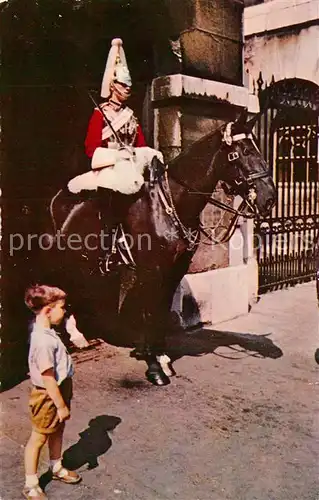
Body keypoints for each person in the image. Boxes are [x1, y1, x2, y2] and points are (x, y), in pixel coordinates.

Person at [23, 285, 82, 500]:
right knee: (38, 437)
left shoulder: (47, 332)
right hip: (48, 395)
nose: (64, 311)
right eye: (61, 308)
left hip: (59, 388)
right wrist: (60, 405)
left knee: (57, 429)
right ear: (48, 310)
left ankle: (56, 466)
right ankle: (31, 483)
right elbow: (47, 378)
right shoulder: (43, 340)